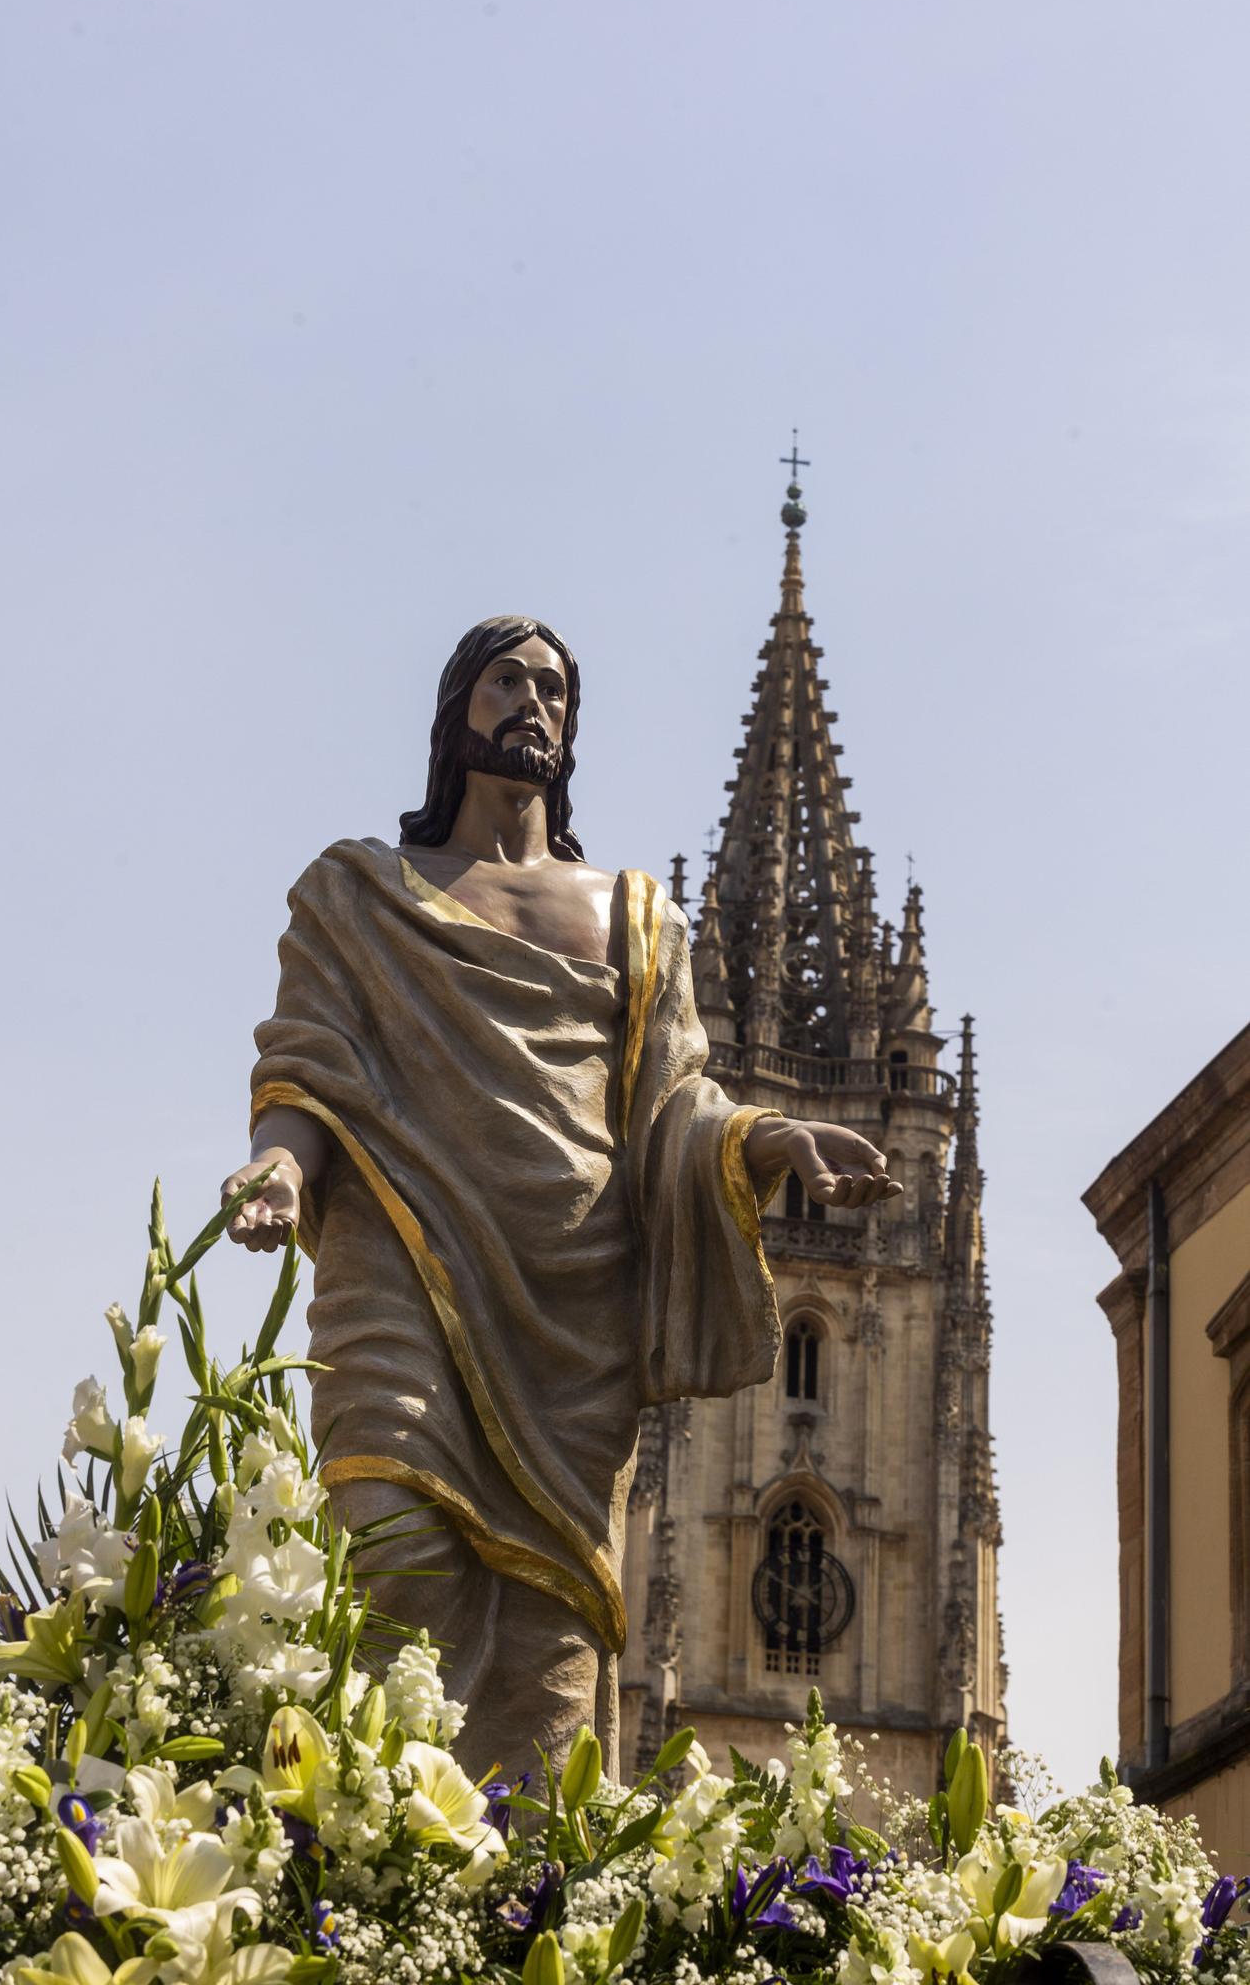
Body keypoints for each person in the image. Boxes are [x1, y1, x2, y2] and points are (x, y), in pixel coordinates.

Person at [222, 615, 900, 1778]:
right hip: (401, 1262)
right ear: (454, 713)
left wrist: (776, 1136)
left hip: (572, 1310)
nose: (530, 701)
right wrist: (283, 1162)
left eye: (552, 686)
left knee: (552, 1640)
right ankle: (377, 1855)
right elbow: (312, 1062)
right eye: (504, 680)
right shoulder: (360, 894)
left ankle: (517, 1895)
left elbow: (674, 1105)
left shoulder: (635, 918)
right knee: (390, 1537)